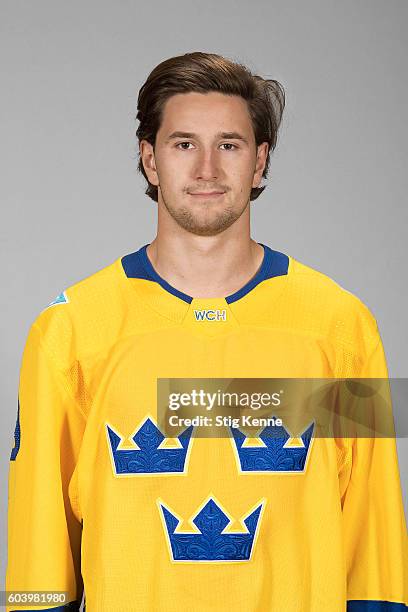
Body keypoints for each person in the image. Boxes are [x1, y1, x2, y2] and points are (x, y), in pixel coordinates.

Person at [5, 51, 408, 612]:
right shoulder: (70, 330)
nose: (207, 170)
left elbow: (376, 547)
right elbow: (37, 554)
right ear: (149, 159)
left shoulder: (343, 328)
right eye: (183, 144)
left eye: (229, 145)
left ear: (260, 161)